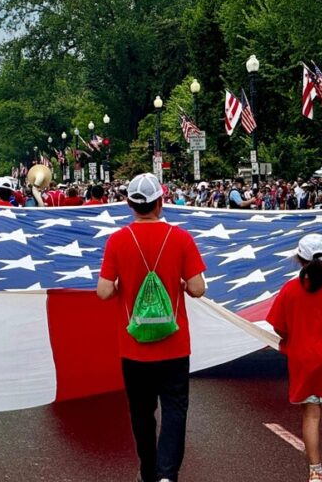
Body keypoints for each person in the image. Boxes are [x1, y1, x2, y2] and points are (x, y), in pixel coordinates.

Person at [96, 173, 206, 482]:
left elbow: (103, 291)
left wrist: (122, 286)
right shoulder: (181, 238)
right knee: (174, 410)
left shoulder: (117, 240)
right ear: (160, 202)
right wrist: (181, 283)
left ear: (130, 204)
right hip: (174, 345)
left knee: (142, 414)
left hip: (133, 346)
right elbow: (197, 288)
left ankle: (147, 470)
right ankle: (166, 474)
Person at [267, 234, 322, 482]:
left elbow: (278, 326)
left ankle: (315, 472)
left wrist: (290, 337)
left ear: (299, 259)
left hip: (302, 359)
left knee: (310, 415)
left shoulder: (290, 290)